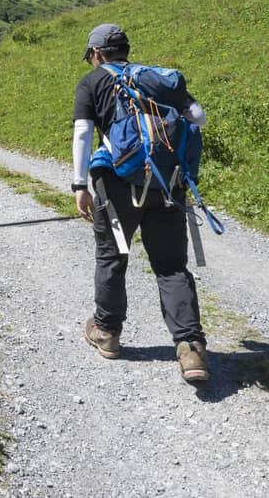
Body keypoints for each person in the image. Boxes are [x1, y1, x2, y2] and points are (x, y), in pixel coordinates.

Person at [72, 24, 210, 383]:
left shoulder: (92, 82)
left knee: (113, 256)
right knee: (170, 264)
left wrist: (78, 185)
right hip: (167, 183)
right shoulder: (154, 80)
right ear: (125, 50)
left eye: (90, 56)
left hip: (115, 185)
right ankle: (190, 347)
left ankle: (107, 332)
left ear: (98, 54)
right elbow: (199, 117)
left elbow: (84, 133)